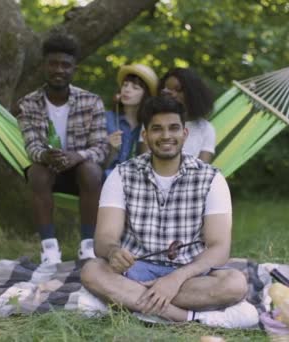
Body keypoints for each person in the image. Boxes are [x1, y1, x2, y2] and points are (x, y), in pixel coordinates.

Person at [80, 96, 259, 328]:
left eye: (173, 128)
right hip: (134, 272)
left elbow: (219, 247)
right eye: (157, 129)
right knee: (92, 270)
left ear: (184, 134)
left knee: (235, 283)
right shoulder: (121, 174)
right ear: (145, 136)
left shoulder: (211, 178)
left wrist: (175, 278)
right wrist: (114, 252)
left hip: (190, 275)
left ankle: (126, 302)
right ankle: (187, 318)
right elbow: (103, 240)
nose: (166, 136)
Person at [16, 34, 108, 264]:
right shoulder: (29, 103)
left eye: (65, 65)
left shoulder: (91, 101)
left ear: (73, 68)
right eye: (53, 63)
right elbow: (32, 146)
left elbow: (101, 148)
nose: (59, 70)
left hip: (81, 174)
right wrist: (47, 155)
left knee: (92, 171)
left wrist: (76, 156)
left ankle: (87, 247)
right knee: (35, 172)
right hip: (49, 171)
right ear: (44, 66)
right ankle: (49, 250)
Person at [138, 67, 216, 163]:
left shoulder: (205, 129)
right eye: (166, 89)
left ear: (193, 94)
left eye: (177, 89)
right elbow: (144, 162)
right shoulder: (151, 121)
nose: (170, 93)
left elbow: (203, 170)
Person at [104, 64, 158, 178]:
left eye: (135, 87)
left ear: (146, 95)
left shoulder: (149, 126)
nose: (127, 90)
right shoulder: (106, 118)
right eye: (125, 85)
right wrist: (111, 150)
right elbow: (98, 168)